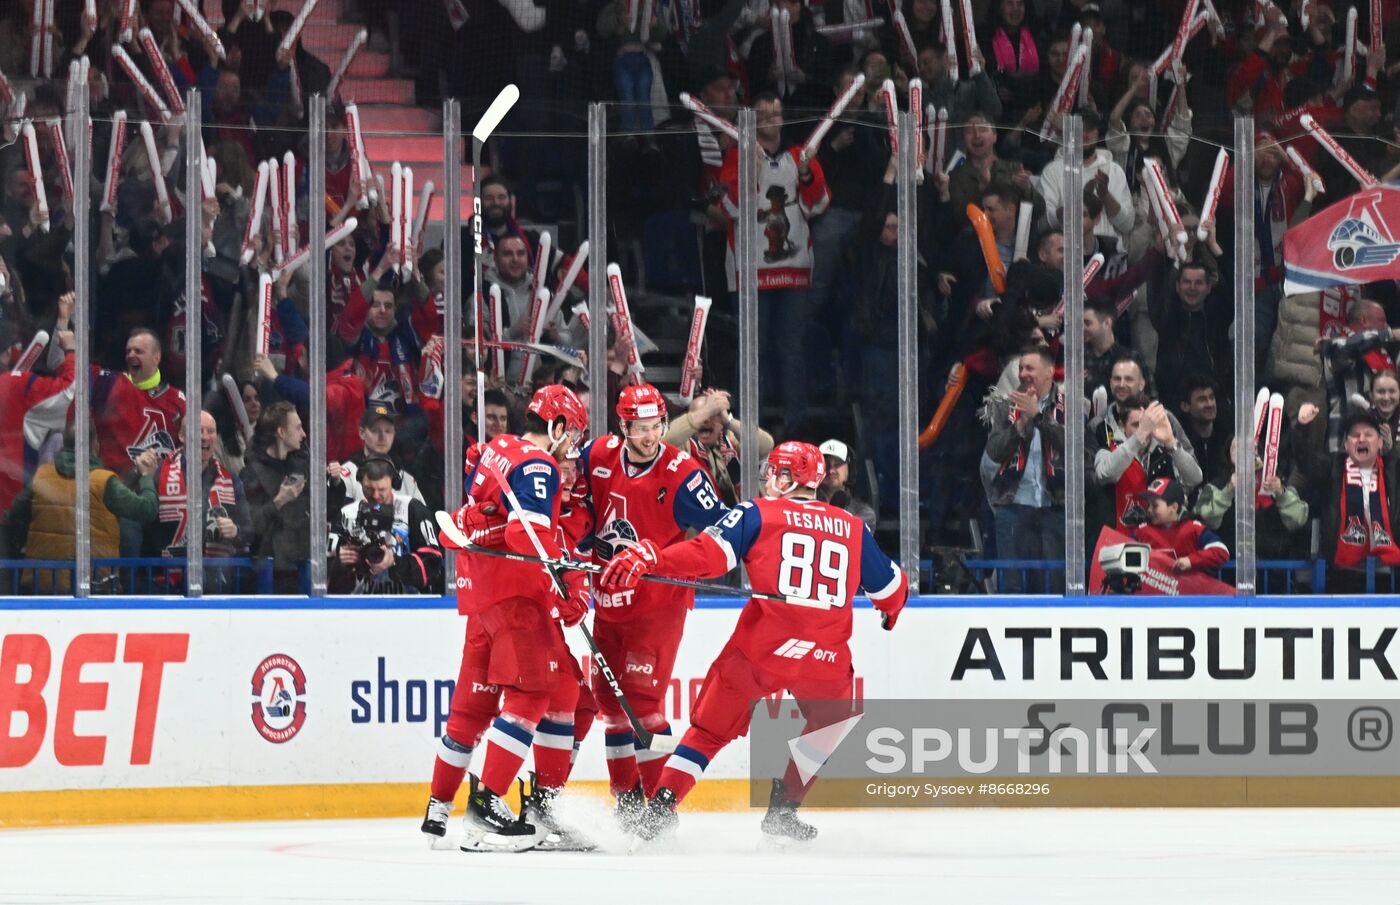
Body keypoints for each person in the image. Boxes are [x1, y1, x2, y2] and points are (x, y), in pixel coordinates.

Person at [600, 442, 907, 843]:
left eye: (772, 473)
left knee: (709, 731)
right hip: (824, 655)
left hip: (762, 648)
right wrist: (890, 614)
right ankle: (783, 811)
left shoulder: (759, 512)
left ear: (787, 478)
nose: (766, 479)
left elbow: (706, 555)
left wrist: (652, 558)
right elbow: (891, 587)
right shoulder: (853, 527)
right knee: (833, 719)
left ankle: (659, 810)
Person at [421, 385, 590, 852]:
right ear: (555, 426)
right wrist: (565, 574)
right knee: (534, 690)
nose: (571, 446)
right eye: (571, 434)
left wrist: (486, 523)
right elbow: (526, 535)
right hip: (514, 596)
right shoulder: (540, 465)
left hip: (484, 595)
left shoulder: (499, 447)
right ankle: (486, 807)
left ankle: (458, 810)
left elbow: (488, 516)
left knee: (564, 691)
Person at [575, 383, 727, 822]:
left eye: (657, 425)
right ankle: (626, 804)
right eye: (640, 428)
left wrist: (668, 559)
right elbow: (578, 504)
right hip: (607, 602)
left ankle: (660, 811)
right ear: (623, 427)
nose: (650, 436)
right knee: (610, 701)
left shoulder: (684, 475)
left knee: (642, 703)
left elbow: (722, 532)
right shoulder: (599, 455)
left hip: (658, 605)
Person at [8, 423, 160, 594]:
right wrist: (147, 476)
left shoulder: (42, 476)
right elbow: (147, 510)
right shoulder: (104, 482)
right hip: (93, 586)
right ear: (96, 445)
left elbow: (14, 516)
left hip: (42, 585)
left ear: (65, 444)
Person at [984, 347, 1065, 591]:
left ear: (1049, 371)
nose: (1023, 374)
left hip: (1055, 506)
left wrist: (1038, 417)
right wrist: (1021, 423)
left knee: (1053, 585)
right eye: (1021, 368)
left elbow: (1074, 448)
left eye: (1030, 368)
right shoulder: (1004, 405)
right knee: (1012, 585)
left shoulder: (1070, 405)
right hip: (1013, 504)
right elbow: (994, 450)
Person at [328, 457, 442, 595]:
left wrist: (395, 562)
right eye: (369, 488)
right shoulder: (346, 513)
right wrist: (340, 562)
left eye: (382, 489)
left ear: (393, 483)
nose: (376, 495)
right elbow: (323, 571)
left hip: (409, 604)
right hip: (360, 603)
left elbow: (433, 566)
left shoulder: (413, 509)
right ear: (360, 483)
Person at [241, 402, 311, 594]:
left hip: (302, 570)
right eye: (297, 428)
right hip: (268, 575)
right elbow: (250, 527)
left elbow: (324, 513)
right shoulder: (252, 473)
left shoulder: (302, 466)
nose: (303, 434)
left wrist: (335, 484)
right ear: (281, 432)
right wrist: (279, 501)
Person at [664, 388, 775, 507]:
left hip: (739, 516)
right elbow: (664, 441)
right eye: (702, 415)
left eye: (713, 415)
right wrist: (706, 411)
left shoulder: (730, 441)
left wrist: (728, 421)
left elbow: (766, 445)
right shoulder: (683, 445)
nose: (706, 421)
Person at [1127, 478, 1230, 578]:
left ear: (1174, 507)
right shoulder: (1141, 531)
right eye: (1148, 504)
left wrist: (1191, 561)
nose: (1149, 510)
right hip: (1151, 594)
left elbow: (1221, 551)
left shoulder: (1193, 529)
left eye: (1154, 505)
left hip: (1189, 592)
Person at [816, 439, 877, 530]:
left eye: (837, 464)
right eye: (827, 465)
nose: (831, 471)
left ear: (850, 469)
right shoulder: (805, 507)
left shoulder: (864, 513)